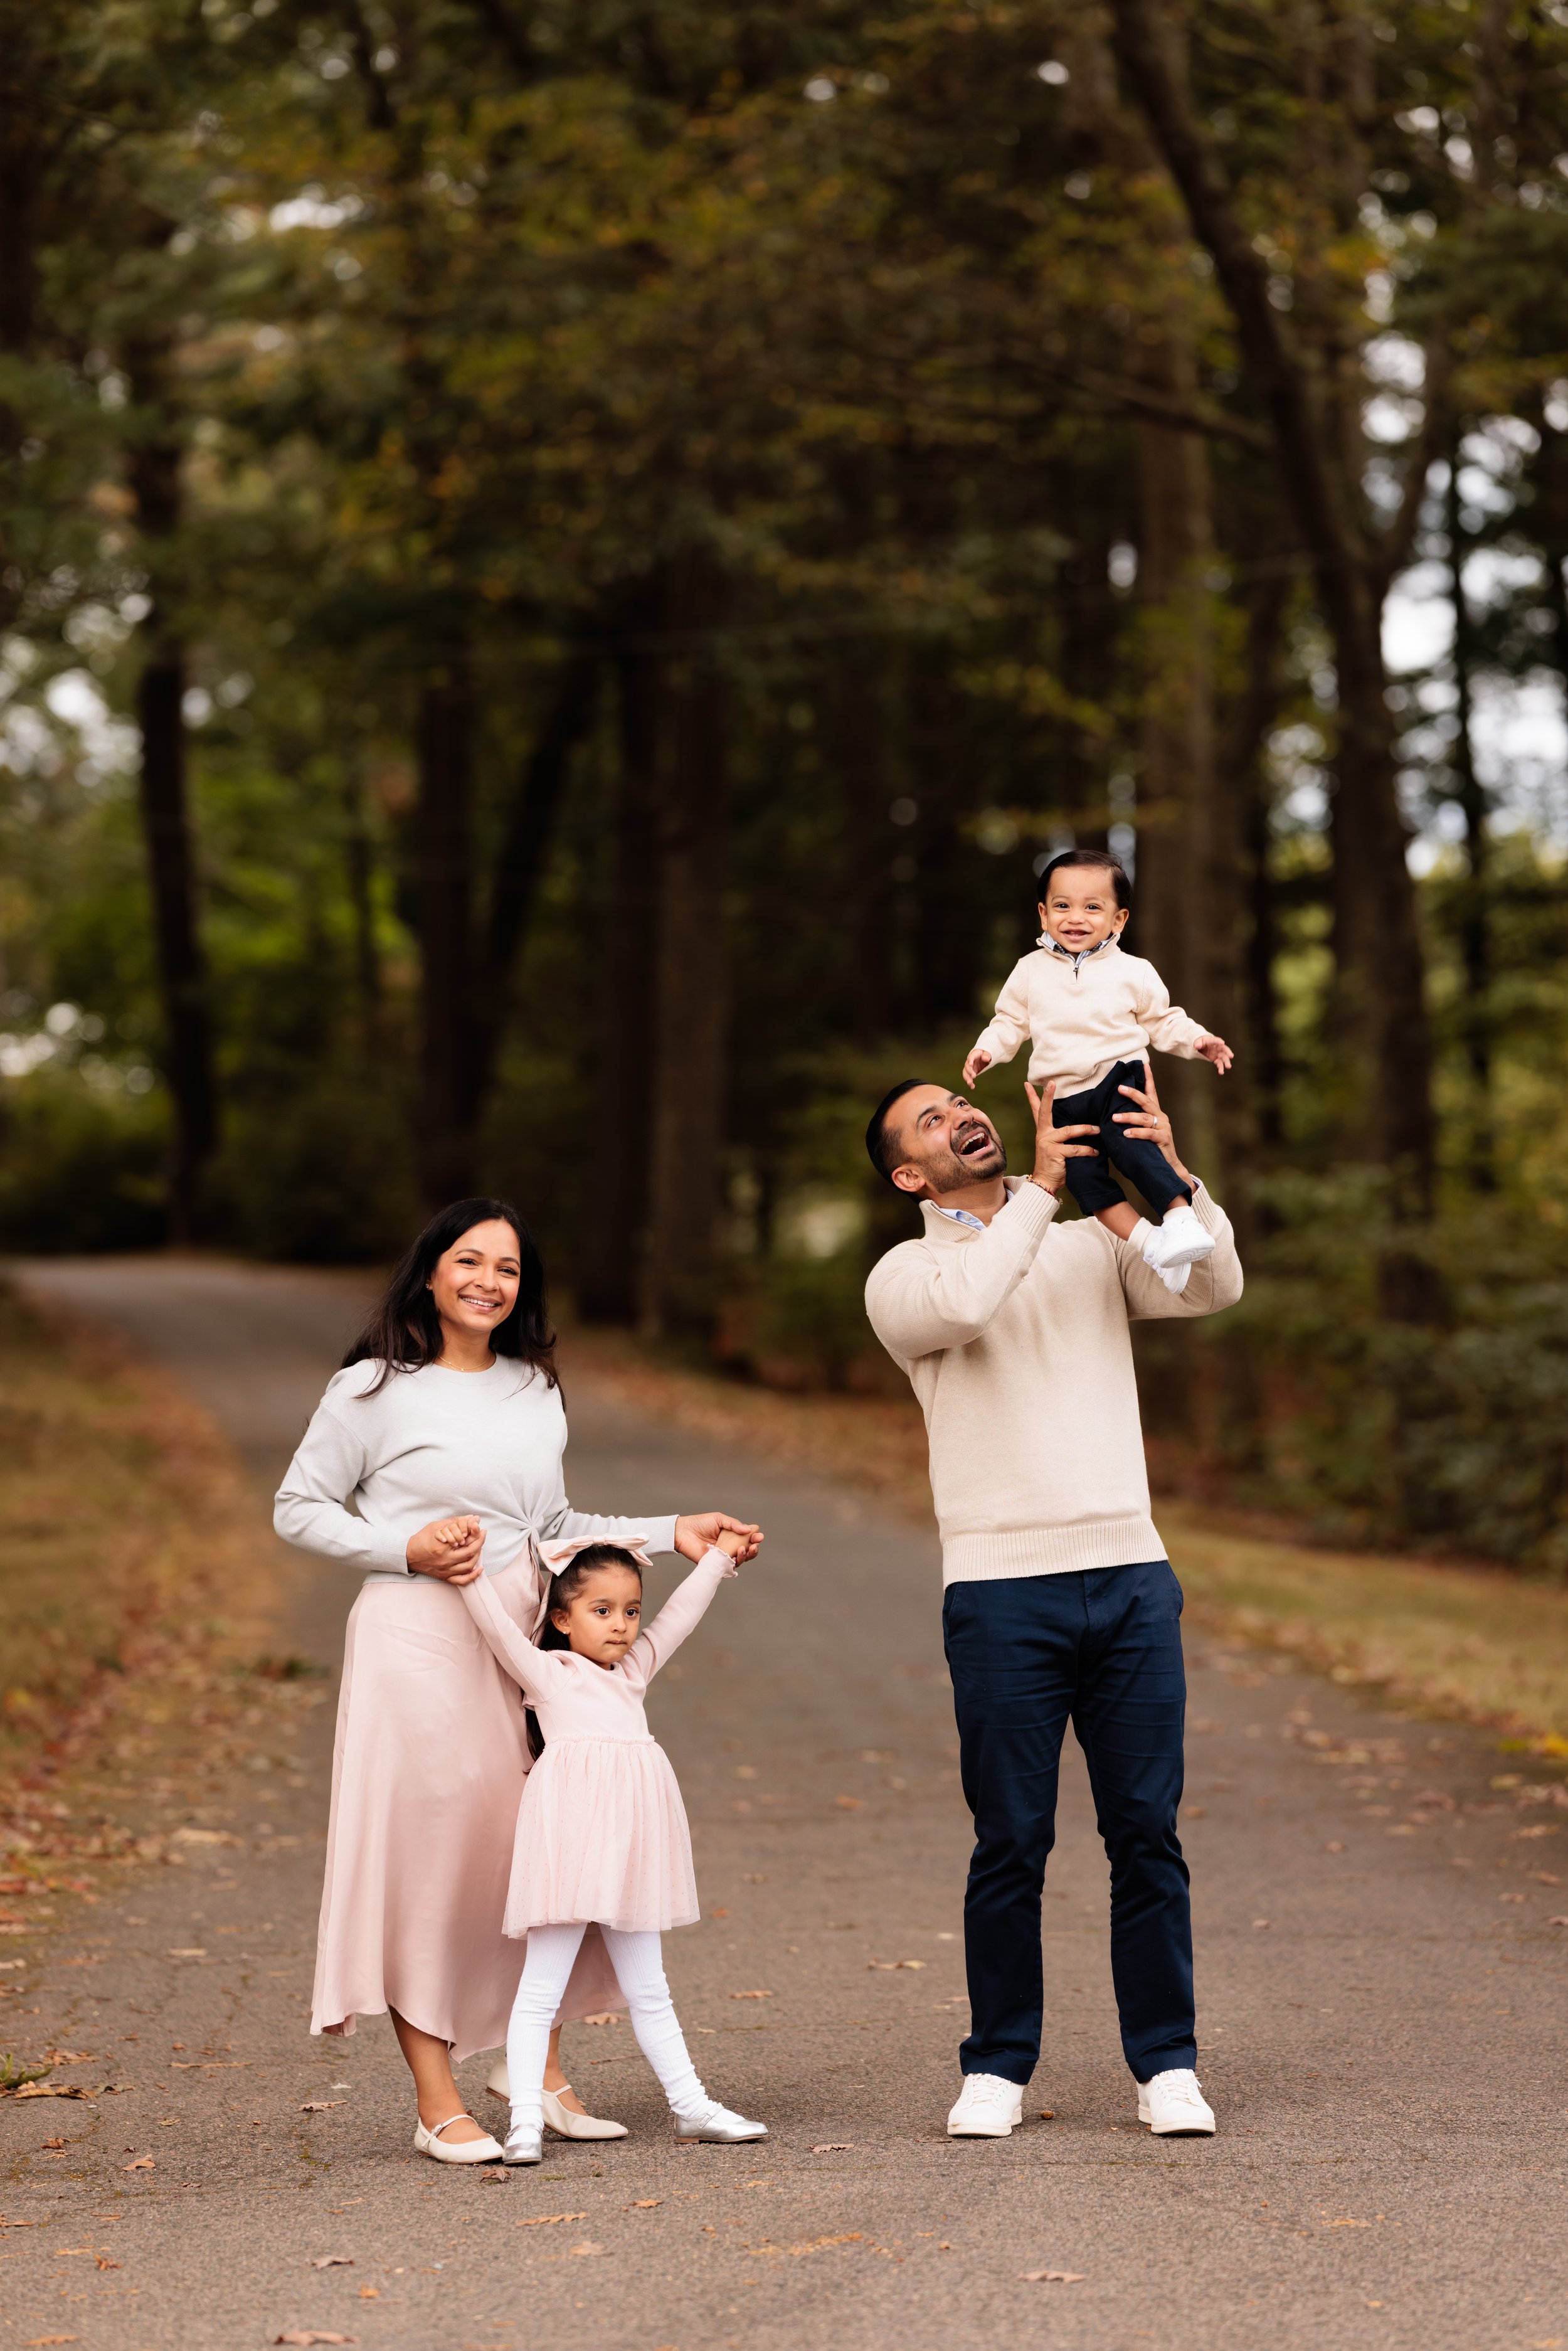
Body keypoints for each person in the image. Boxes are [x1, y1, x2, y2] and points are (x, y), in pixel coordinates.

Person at [274, 1196, 760, 2166]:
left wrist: (672, 1533)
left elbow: (554, 1527)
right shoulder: (372, 1387)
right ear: (429, 1273)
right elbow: (299, 1508)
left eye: (509, 1268)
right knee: (430, 1858)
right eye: (470, 1260)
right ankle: (435, 2096)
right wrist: (405, 1545)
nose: (490, 1281)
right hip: (416, 1644)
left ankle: (527, 2065)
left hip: (525, 1647)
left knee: (526, 1850)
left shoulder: (535, 1387)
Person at [862, 1068, 1241, 2140]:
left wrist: (1171, 1175)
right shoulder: (904, 1277)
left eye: (959, 1101)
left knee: (1146, 1836)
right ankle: (998, 2064)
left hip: (1129, 1573)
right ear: (908, 1171)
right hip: (998, 1591)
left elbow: (1212, 1288)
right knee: (1012, 1838)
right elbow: (974, 1299)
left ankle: (1166, 2062)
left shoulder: (1089, 1247)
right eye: (930, 1120)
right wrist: (1044, 1180)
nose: (959, 1117)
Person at [458, 1532, 767, 2162]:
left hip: (630, 1848)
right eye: (602, 1611)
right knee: (539, 1988)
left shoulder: (633, 1675)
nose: (622, 1625)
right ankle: (523, 2120)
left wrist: (715, 1560)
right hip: (569, 1849)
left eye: (631, 1610)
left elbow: (680, 1615)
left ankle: (690, 2105)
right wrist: (467, 1575)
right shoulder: (546, 1674)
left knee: (650, 1987)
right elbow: (495, 1626)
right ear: (563, 1619)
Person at [961, 850, 1234, 1292]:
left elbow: (1164, 1021)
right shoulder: (1029, 971)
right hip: (1064, 1093)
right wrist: (986, 1051)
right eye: (1063, 905)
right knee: (1084, 1178)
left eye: (1093, 907)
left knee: (1133, 1145)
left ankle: (1181, 1219)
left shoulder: (1133, 971)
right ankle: (1153, 1245)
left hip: (1118, 1074)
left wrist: (1199, 1040)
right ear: (1043, 914)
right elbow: (1010, 1023)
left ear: (1118, 919)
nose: (1076, 917)